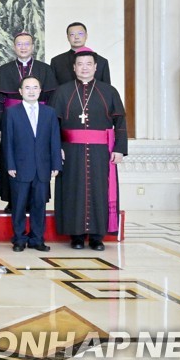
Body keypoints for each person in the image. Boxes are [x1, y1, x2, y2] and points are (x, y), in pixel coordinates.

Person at [50, 50, 127, 250]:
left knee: (99, 190)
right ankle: (75, 235)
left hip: (100, 152)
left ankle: (96, 236)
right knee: (72, 190)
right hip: (70, 151)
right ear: (74, 68)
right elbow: (52, 124)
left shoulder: (109, 91)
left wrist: (119, 148)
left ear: (95, 67)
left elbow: (120, 121)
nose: (84, 67)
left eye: (88, 64)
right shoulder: (62, 91)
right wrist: (56, 147)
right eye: (80, 64)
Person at [0, 32, 59, 212]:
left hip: (40, 120)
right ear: (14, 47)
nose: (23, 47)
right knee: (11, 157)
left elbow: (52, 99)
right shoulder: (3, 70)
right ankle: (12, 200)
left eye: (27, 44)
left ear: (33, 46)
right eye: (19, 44)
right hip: (11, 122)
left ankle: (37, 200)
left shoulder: (44, 69)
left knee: (39, 158)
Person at [2, 75, 62, 252]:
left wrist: (56, 164)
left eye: (35, 87)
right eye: (27, 88)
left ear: (40, 91)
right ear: (20, 92)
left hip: (43, 168)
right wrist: (10, 165)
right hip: (20, 167)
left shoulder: (49, 113)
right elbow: (8, 142)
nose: (31, 91)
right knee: (19, 205)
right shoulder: (11, 112)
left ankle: (37, 238)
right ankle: (19, 238)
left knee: (39, 205)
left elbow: (54, 140)